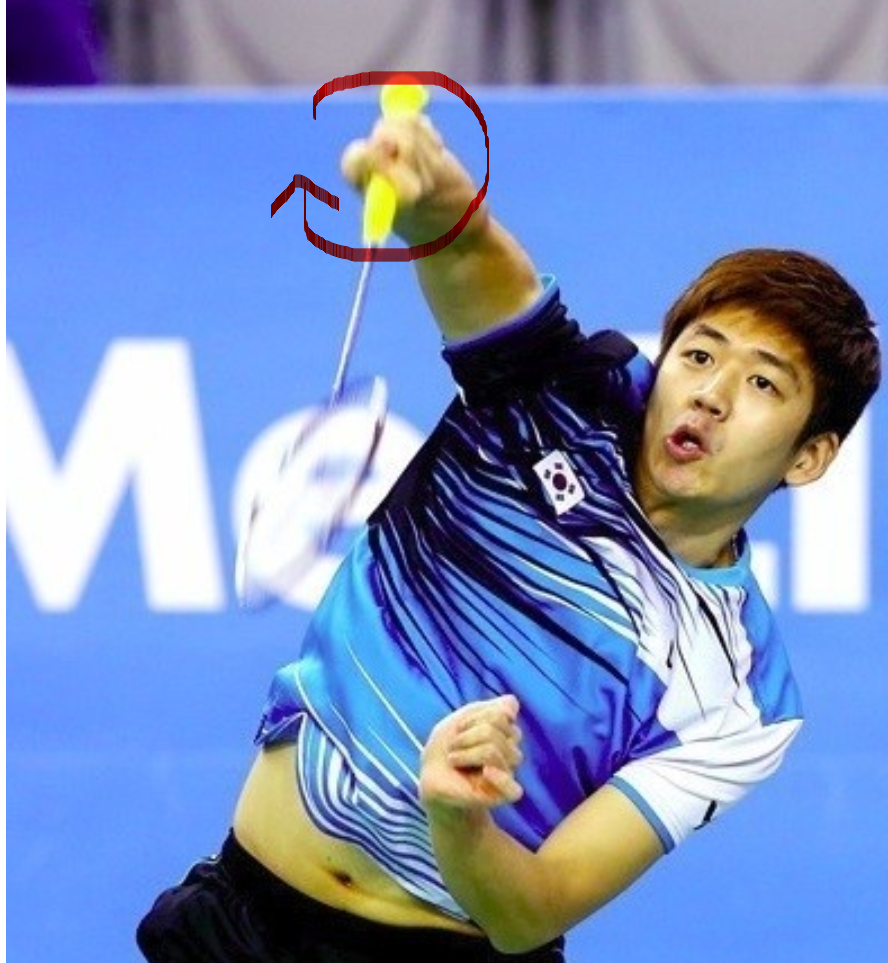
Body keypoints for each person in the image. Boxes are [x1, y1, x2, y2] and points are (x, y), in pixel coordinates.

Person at [136, 109, 881, 962]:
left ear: (810, 455)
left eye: (762, 383)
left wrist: (460, 817)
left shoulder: (742, 698)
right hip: (234, 915)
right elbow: (472, 260)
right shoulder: (565, 395)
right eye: (700, 355)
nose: (711, 394)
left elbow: (532, 911)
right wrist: (432, 195)